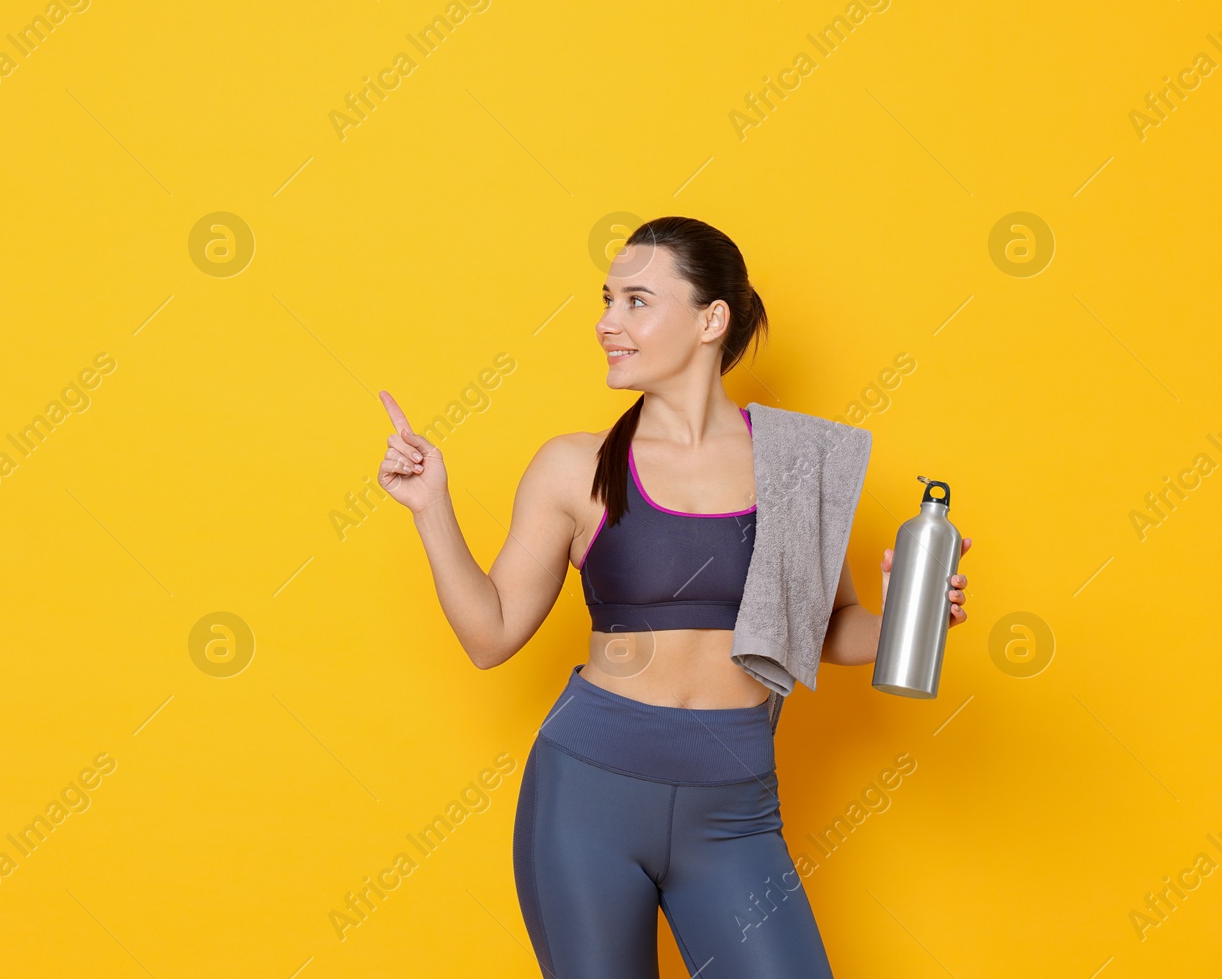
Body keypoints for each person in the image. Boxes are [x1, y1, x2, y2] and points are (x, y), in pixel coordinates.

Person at [377, 216, 971, 978]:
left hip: (735, 812)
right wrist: (432, 506)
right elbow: (489, 635)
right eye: (607, 300)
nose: (606, 323)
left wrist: (908, 616)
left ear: (710, 320)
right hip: (587, 800)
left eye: (635, 301)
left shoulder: (800, 460)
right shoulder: (574, 466)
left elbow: (829, 631)